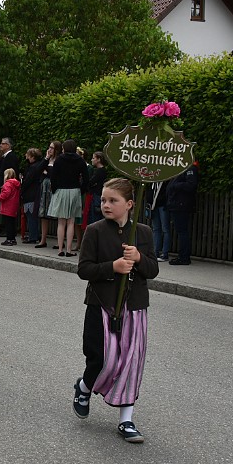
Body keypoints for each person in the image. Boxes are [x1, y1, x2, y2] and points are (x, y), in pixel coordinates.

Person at [74, 177, 160, 444]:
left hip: (134, 308)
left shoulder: (143, 232)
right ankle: (84, 386)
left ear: (130, 204)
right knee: (103, 360)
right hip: (102, 304)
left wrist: (139, 259)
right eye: (103, 200)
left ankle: (126, 420)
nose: (106, 205)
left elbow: (153, 270)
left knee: (131, 362)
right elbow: (84, 269)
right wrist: (113, 267)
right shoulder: (95, 231)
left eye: (113, 200)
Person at [47, 140, 90, 257]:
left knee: (61, 222)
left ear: (64, 148)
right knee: (71, 222)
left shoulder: (59, 159)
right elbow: (86, 178)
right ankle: (69, 250)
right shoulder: (80, 160)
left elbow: (53, 177)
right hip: (74, 190)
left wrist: (55, 190)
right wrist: (81, 190)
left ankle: (60, 249)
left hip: (61, 190)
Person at [165, 161, 200, 265]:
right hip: (177, 204)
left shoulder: (189, 168)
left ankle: (184, 257)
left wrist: (175, 185)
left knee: (182, 232)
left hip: (181, 204)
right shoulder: (181, 168)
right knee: (181, 231)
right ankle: (183, 256)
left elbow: (191, 185)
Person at [37, 140, 62, 249]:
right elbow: (39, 169)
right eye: (49, 147)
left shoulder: (59, 160)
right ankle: (43, 240)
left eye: (52, 148)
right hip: (45, 188)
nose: (49, 149)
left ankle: (59, 240)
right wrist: (46, 158)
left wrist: (46, 172)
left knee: (57, 215)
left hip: (54, 188)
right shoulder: (47, 159)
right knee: (43, 214)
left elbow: (54, 174)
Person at [20, 148, 44, 244]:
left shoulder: (32, 167)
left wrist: (22, 190)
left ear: (32, 157)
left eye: (27, 154)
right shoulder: (37, 166)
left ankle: (33, 236)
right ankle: (34, 235)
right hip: (34, 193)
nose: (26, 156)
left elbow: (28, 181)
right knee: (32, 216)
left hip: (30, 193)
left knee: (31, 216)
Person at [0, 167, 21, 245]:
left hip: (7, 207)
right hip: (13, 206)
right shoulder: (16, 184)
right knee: (12, 223)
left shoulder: (7, 184)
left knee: (8, 224)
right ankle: (13, 239)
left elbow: (5, 194)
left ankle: (9, 239)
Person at [85, 152, 108, 225]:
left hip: (96, 196)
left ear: (98, 159)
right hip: (98, 195)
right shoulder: (103, 170)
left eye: (93, 158)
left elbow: (90, 182)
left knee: (94, 218)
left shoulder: (99, 171)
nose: (92, 160)